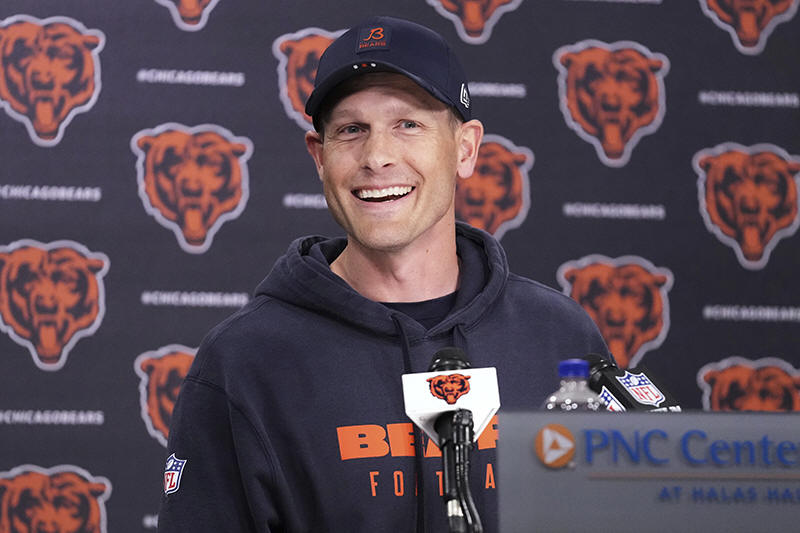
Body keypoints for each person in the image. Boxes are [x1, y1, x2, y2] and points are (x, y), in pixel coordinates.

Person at [157, 15, 610, 533]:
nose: (376, 157)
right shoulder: (244, 361)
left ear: (465, 148)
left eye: (407, 124)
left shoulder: (559, 336)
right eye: (351, 130)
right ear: (320, 157)